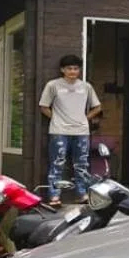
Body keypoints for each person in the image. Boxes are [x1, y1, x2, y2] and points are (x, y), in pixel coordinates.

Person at [38, 55, 102, 202]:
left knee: (82, 164)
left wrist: (85, 118)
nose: (72, 71)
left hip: (81, 131)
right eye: (69, 68)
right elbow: (44, 106)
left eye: (75, 68)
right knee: (57, 163)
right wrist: (56, 118)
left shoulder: (86, 87)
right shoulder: (53, 85)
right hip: (59, 131)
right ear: (62, 69)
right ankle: (54, 196)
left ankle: (82, 194)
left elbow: (97, 107)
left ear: (79, 70)